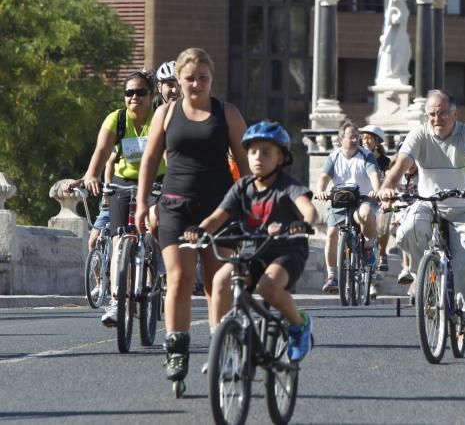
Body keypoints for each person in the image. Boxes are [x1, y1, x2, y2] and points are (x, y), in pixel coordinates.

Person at [135, 47, 249, 386]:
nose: (196, 84)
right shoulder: (166, 114)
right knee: (180, 278)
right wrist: (142, 203)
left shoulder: (227, 113)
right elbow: (150, 160)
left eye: (203, 78)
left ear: (211, 79)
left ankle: (221, 348)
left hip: (219, 209)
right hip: (175, 207)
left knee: (218, 283)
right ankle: (177, 349)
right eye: (189, 78)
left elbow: (246, 162)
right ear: (178, 81)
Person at [184, 122, 317, 362]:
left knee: (268, 288)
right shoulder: (242, 187)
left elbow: (309, 210)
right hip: (251, 250)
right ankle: (221, 343)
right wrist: (199, 231)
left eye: (266, 152)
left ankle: (299, 325)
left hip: (286, 251)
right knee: (221, 280)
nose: (258, 157)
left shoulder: (287, 185)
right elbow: (217, 217)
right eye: (253, 151)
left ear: (281, 158)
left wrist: (303, 224)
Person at [378, 90, 465, 341]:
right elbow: (400, 166)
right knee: (407, 229)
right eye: (432, 114)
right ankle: (424, 276)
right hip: (428, 203)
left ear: (454, 114)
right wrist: (388, 187)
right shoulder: (419, 134)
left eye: (442, 113)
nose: (436, 118)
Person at [72, 70, 166, 327]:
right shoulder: (117, 119)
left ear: (152, 95)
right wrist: (92, 174)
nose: (134, 97)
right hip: (124, 182)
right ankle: (117, 301)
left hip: (158, 180)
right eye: (129, 93)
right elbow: (101, 151)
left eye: (141, 92)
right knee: (116, 240)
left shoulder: (160, 117)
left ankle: (159, 265)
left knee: (155, 224)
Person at [316, 123, 382, 295]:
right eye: (351, 136)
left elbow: (373, 174)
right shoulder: (334, 157)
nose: (355, 140)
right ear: (341, 139)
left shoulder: (366, 156)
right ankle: (332, 277)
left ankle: (367, 246)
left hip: (363, 199)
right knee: (331, 234)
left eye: (356, 136)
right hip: (340, 199)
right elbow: (323, 177)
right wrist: (321, 191)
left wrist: (376, 190)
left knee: (367, 213)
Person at [359, 124, 393, 272]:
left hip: (380, 200)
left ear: (377, 141)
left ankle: (382, 253)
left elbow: (390, 181)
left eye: (369, 139)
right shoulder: (358, 158)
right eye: (363, 138)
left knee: (383, 221)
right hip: (361, 199)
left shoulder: (385, 162)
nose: (365, 142)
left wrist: (384, 195)